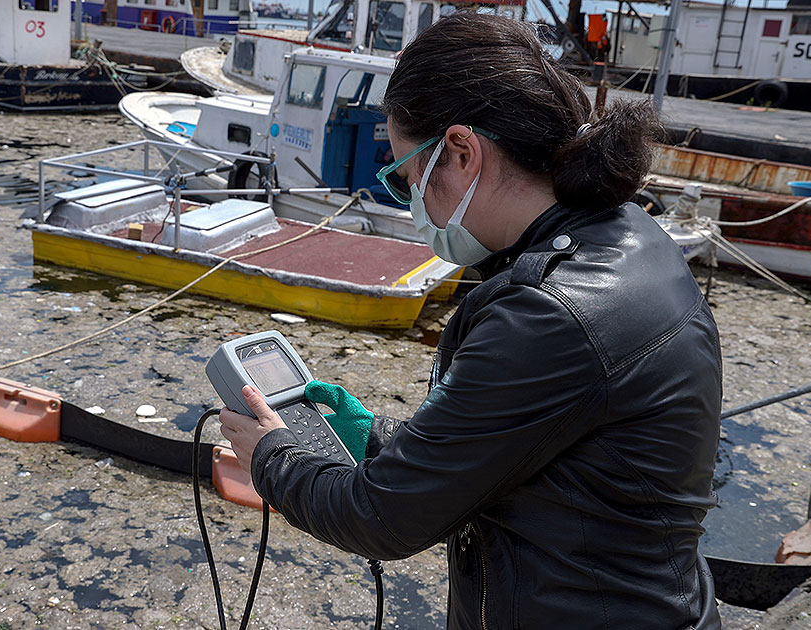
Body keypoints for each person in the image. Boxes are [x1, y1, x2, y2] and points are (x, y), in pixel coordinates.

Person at [219, 12, 722, 629]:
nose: (411, 204)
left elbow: (381, 516)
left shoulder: (551, 315)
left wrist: (272, 456)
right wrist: (378, 436)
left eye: (407, 179)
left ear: (460, 150)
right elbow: (531, 442)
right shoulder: (630, 235)